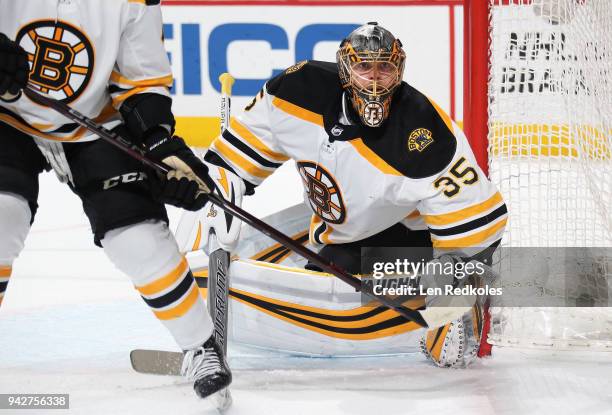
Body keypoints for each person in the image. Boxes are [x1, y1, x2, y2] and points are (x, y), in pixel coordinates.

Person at [199, 22, 508, 368]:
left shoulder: (423, 132)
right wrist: (219, 188)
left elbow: (481, 222)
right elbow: (237, 153)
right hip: (341, 230)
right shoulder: (295, 91)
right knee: (325, 271)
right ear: (346, 70)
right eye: (364, 68)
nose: (374, 81)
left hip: (410, 239)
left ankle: (461, 304)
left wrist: (452, 300)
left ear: (399, 71)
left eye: (384, 69)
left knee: (344, 298)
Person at [0, 0, 229, 398]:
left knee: (136, 236)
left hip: (93, 125)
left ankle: (201, 346)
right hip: (3, 116)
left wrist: (159, 141)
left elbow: (141, 82)